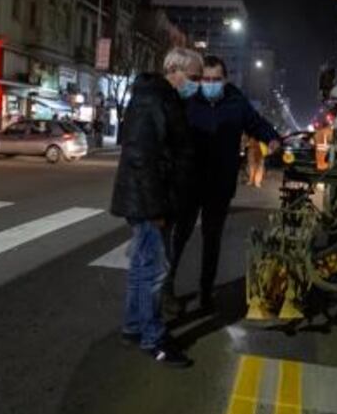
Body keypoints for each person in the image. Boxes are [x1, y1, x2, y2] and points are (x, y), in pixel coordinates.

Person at [166, 54, 280, 315]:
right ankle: (166, 288)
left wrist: (272, 138)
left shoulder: (236, 102)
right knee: (179, 237)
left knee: (212, 240)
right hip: (190, 182)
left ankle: (206, 293)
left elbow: (256, 123)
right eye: (205, 79)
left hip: (219, 184)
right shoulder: (189, 100)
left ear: (225, 80)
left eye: (215, 79)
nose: (210, 83)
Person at [110, 46, 200, 367]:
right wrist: (157, 208)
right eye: (194, 76)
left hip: (147, 199)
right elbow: (143, 158)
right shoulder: (155, 99)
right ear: (174, 69)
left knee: (141, 269)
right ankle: (153, 338)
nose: (197, 83)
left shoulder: (158, 97)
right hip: (150, 202)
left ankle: (134, 328)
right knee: (153, 273)